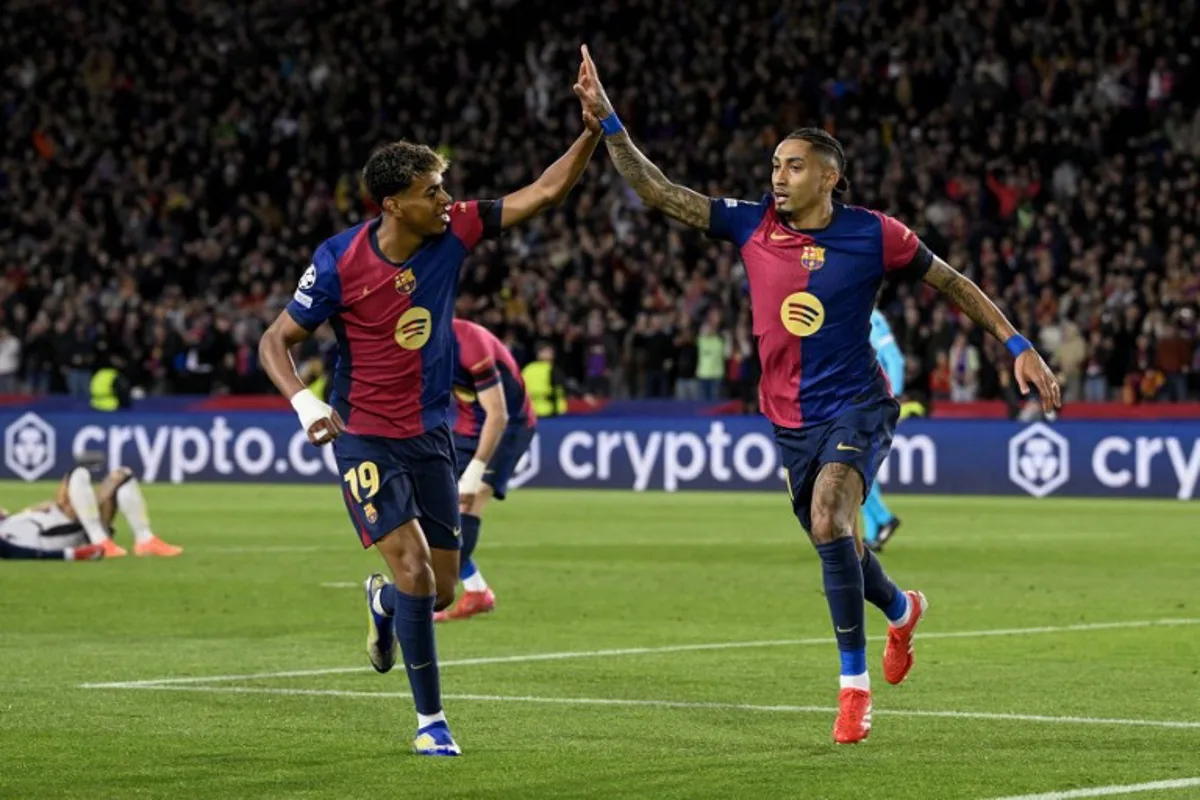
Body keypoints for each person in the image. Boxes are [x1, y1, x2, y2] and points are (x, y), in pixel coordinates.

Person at [573, 44, 1060, 744]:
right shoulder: (750, 224)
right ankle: (901, 611)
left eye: (793, 165)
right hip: (788, 419)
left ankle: (853, 691)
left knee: (833, 517)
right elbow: (659, 191)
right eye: (774, 165)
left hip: (858, 404)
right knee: (837, 546)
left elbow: (953, 283)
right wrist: (610, 121)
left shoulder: (874, 233)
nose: (778, 176)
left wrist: (1018, 346)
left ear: (829, 176)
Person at [257, 106, 600, 756]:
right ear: (393, 205)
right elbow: (276, 340)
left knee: (439, 590)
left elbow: (546, 191)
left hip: (431, 436)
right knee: (414, 569)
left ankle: (383, 606)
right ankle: (430, 722)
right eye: (432, 191)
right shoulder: (338, 261)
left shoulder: (455, 232)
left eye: (445, 186)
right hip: (363, 434)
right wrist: (304, 404)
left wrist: (591, 130)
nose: (447, 199)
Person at [434, 318, 537, 622]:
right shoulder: (414, 342)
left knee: (470, 500)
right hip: (466, 429)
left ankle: (429, 598)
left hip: (509, 427)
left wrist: (476, 469)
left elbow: (499, 413)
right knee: (432, 507)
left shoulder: (470, 343)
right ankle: (477, 591)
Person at [0, 455, 181, 560]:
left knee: (122, 475)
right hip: (48, 534)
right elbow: (13, 551)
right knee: (77, 474)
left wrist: (30, 511)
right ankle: (101, 540)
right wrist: (69, 555)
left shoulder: (9, 520)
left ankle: (145, 539)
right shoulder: (9, 536)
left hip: (54, 523)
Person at [863, 310, 903, 551]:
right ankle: (872, 534)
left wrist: (893, 396)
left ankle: (884, 518)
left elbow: (895, 359)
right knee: (862, 469)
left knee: (852, 468)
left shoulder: (871, 317)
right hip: (860, 401)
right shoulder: (859, 311)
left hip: (871, 403)